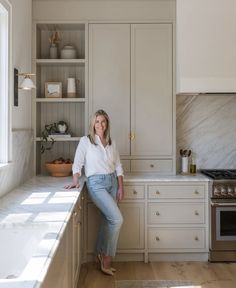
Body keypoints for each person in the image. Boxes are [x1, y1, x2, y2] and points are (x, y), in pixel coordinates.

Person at [65, 109, 124, 276]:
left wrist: (121, 186)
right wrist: (75, 181)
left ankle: (100, 252)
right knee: (117, 219)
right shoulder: (86, 141)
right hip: (96, 184)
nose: (100, 125)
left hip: (112, 182)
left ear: (107, 124)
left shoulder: (112, 142)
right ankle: (106, 259)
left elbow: (118, 166)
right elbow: (77, 164)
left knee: (108, 220)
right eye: (97, 121)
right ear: (92, 124)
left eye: (103, 121)